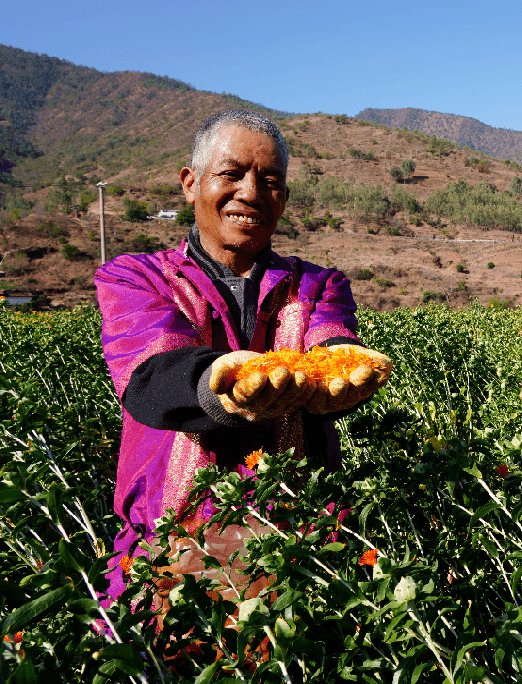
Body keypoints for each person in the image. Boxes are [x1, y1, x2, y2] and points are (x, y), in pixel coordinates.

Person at [95, 110, 390, 605]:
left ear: (284, 198)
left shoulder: (318, 285)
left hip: (296, 532)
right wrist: (222, 381)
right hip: (173, 534)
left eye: (270, 180)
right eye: (231, 174)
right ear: (191, 183)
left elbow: (330, 347)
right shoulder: (136, 277)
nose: (250, 193)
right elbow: (149, 373)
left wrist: (340, 371)